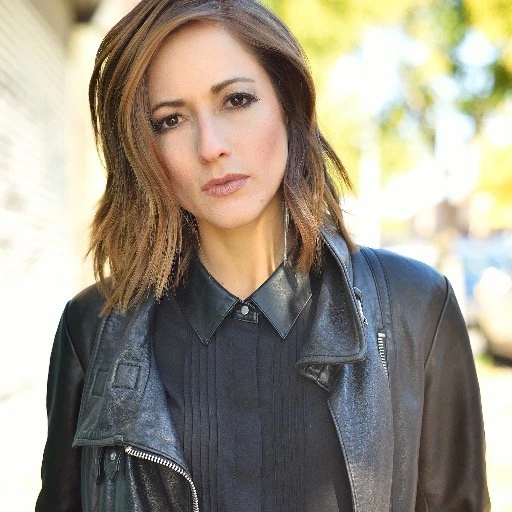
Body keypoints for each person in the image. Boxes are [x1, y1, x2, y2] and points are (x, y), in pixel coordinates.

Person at [36, 0, 490, 511]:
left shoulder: (414, 306)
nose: (211, 146)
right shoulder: (94, 330)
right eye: (170, 120)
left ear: (287, 105)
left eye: (236, 100)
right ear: (144, 149)